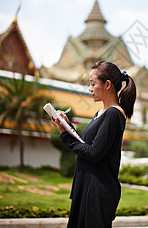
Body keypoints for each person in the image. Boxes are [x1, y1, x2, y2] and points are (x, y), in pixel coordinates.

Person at [51, 61, 136, 228]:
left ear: (108, 85)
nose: (89, 89)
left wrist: (65, 137)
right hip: (87, 187)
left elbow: (94, 153)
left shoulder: (113, 114)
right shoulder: (100, 113)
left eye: (92, 84)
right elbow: (87, 144)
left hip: (97, 191)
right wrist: (66, 126)